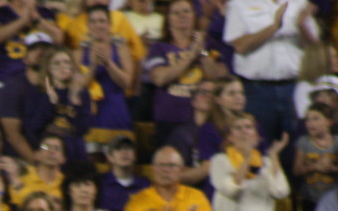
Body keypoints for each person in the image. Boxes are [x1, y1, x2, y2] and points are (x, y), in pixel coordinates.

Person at [223, 0, 319, 147]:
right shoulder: (239, 4)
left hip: (293, 88)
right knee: (259, 144)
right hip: (256, 91)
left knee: (295, 146)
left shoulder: (299, 3)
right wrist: (274, 27)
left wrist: (301, 26)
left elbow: (314, 46)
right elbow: (240, 46)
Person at [145, 0, 228, 148]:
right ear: (168, 18)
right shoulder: (159, 48)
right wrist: (191, 55)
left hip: (205, 120)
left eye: (186, 11)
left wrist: (201, 53)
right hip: (169, 119)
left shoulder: (209, 45)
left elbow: (220, 77)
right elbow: (160, 79)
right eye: (176, 13)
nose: (182, 15)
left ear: (194, 16)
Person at [0, 43, 93, 165]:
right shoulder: (39, 91)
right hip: (48, 153)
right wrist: (51, 102)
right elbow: (33, 128)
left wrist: (74, 100)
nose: (62, 67)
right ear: (48, 68)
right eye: (56, 63)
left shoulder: (81, 92)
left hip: (74, 152)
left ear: (72, 66)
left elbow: (83, 129)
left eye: (66, 62)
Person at [77, 4, 135, 154]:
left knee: (117, 157)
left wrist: (109, 63)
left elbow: (126, 83)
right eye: (94, 21)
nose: (98, 25)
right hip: (88, 116)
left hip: (115, 114)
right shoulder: (79, 52)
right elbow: (77, 87)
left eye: (102, 21)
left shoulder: (121, 49)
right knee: (90, 161)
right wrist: (94, 66)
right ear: (88, 25)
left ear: (109, 25)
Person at [0, 0, 63, 85]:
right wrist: (22, 21)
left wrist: (36, 17)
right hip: (3, 79)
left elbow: (59, 39)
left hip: (39, 79)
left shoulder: (45, 13)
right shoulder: (0, 13)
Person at [293, 102, 338, 211]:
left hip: (334, 199)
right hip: (310, 200)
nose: (310, 124)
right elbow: (296, 170)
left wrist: (332, 168)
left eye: (316, 119)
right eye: (308, 120)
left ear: (329, 122)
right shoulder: (304, 142)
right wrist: (315, 167)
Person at [99, 134, 150, 211]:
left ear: (135, 156)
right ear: (110, 157)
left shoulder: (145, 185)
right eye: (118, 149)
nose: (125, 152)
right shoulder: (100, 183)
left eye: (129, 148)